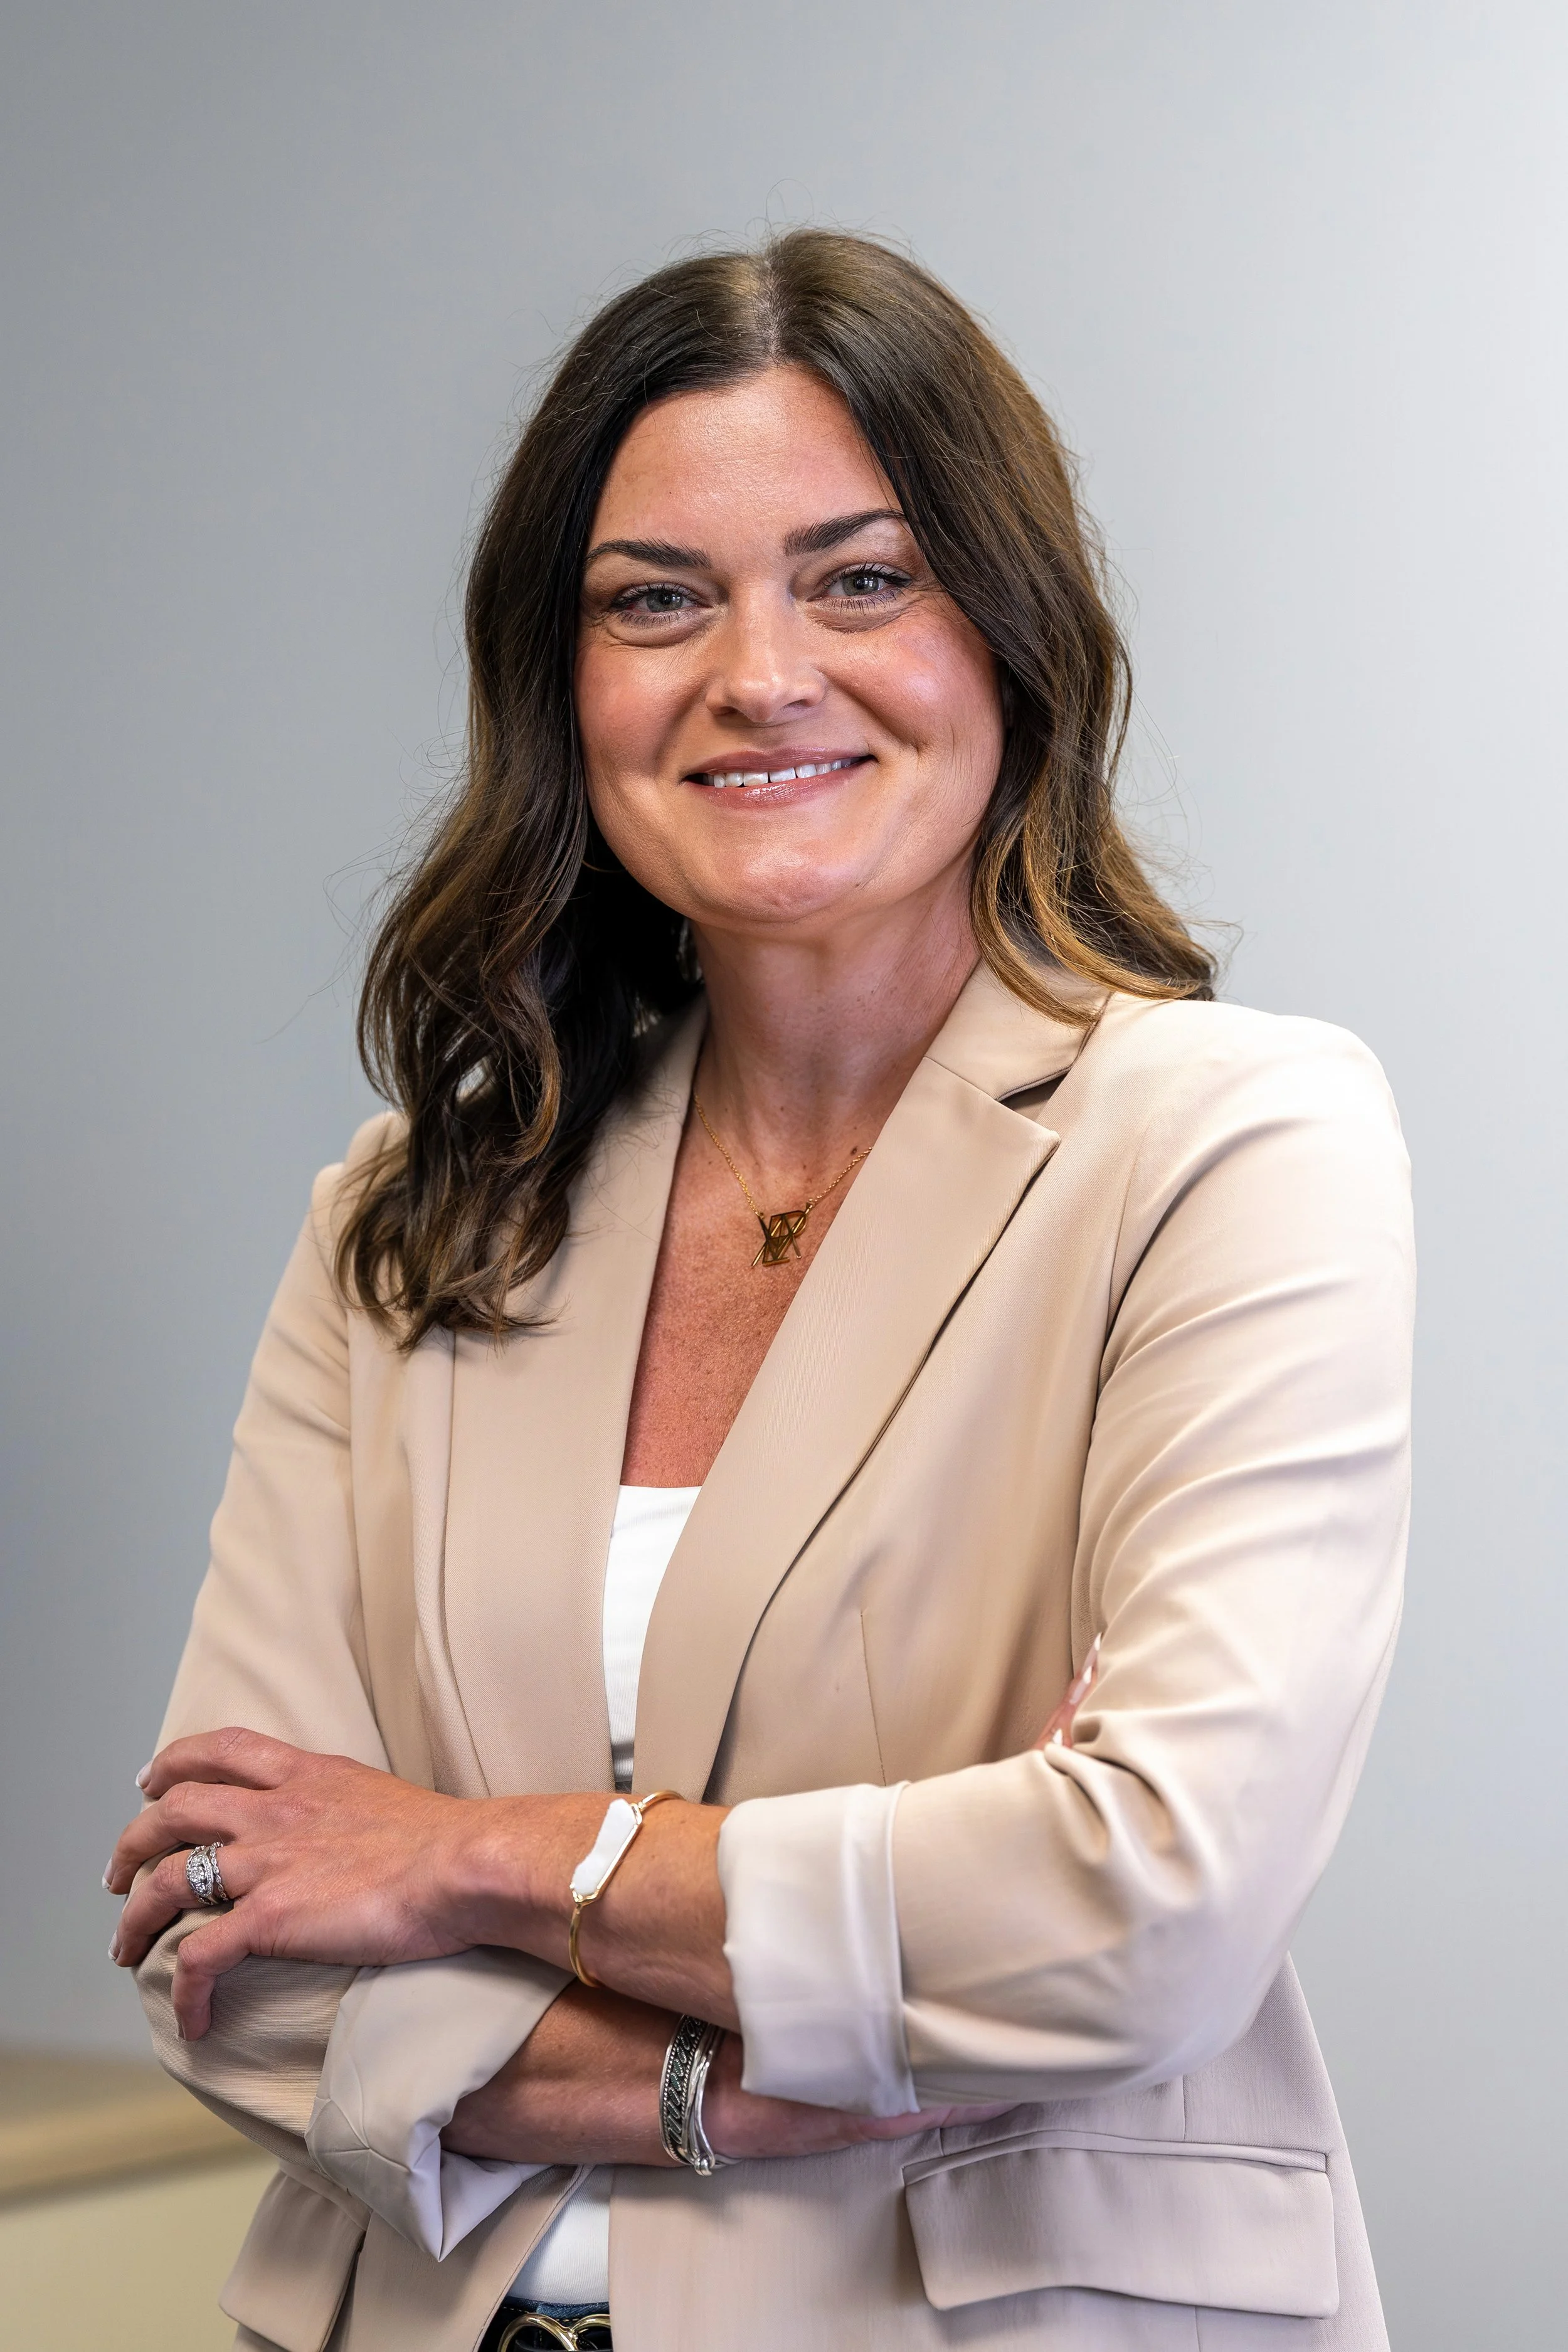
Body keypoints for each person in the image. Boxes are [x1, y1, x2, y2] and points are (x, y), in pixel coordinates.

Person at [106, 231, 1414, 2352]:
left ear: (1008, 626)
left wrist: (468, 1857)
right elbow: (223, 1931)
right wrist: (735, 2063)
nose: (761, 671)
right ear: (564, 679)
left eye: (861, 576)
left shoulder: (1224, 1145)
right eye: (654, 598)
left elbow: (1139, 1905)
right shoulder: (416, 1210)